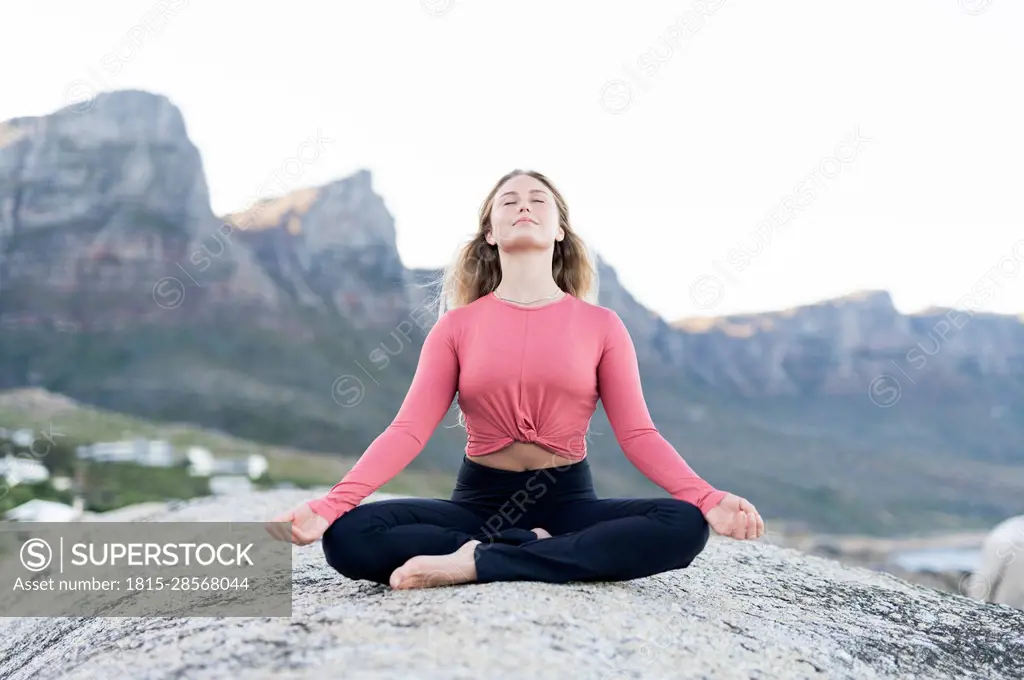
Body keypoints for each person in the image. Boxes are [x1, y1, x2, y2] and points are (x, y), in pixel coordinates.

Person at [266, 169, 765, 590]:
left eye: (537, 199)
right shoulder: (456, 327)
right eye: (508, 200)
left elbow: (637, 435)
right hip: (478, 503)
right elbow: (408, 431)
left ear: (560, 230)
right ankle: (530, 552)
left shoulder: (602, 326)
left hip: (568, 501)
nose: (523, 205)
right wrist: (332, 505)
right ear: (490, 233)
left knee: (683, 527)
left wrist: (707, 497)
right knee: (349, 538)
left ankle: (479, 562)